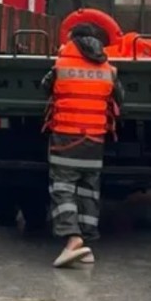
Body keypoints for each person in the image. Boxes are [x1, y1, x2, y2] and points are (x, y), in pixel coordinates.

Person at [42, 23, 125, 268]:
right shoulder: (109, 70)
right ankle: (87, 241)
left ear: (72, 41)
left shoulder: (61, 67)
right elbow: (120, 98)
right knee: (89, 189)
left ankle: (72, 238)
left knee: (63, 188)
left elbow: (44, 88)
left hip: (66, 139)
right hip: (95, 140)